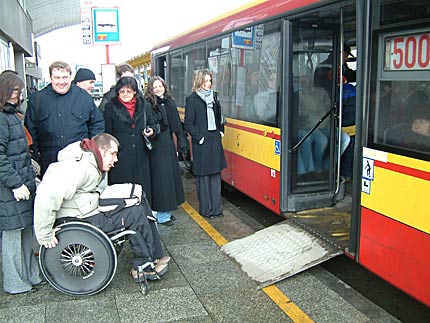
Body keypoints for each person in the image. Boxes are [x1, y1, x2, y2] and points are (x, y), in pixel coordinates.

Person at [33, 133, 170, 281]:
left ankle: (155, 255)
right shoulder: (80, 168)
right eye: (113, 154)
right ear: (101, 151)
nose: (116, 159)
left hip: (86, 207)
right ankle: (143, 267)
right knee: (134, 213)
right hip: (77, 217)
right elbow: (46, 194)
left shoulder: (90, 159)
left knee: (137, 196)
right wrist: (44, 234)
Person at [0, 72, 44, 294]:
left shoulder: (11, 115)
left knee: (26, 232)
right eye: (15, 91)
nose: (18, 95)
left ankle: (30, 275)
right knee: (12, 236)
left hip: (22, 183)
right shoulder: (2, 118)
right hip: (11, 188)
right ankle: (15, 283)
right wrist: (16, 183)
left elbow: (18, 153)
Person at [24, 61, 104, 176]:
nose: (61, 82)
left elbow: (97, 123)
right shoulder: (37, 100)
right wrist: (37, 157)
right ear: (51, 78)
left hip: (80, 161)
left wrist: (91, 150)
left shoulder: (83, 97)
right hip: (50, 163)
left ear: (70, 77)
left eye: (65, 77)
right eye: (57, 77)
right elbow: (31, 130)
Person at [104, 76, 157, 205]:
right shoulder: (110, 107)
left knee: (142, 189)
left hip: (141, 154)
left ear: (134, 91)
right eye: (122, 91)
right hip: (120, 155)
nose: (125, 94)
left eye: (129, 91)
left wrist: (152, 131)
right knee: (121, 190)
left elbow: (153, 123)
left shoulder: (144, 106)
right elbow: (107, 132)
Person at [144, 76, 188, 226]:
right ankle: (162, 215)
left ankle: (167, 212)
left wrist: (182, 142)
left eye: (160, 86)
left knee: (170, 178)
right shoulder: (149, 104)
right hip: (157, 147)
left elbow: (176, 124)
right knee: (162, 180)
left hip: (168, 144)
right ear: (150, 89)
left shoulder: (169, 102)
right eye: (154, 87)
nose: (158, 89)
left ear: (164, 87)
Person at [184, 69, 227, 218]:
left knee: (215, 175)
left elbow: (220, 117)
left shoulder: (215, 97)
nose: (208, 84)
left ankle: (216, 209)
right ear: (199, 82)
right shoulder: (192, 99)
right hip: (202, 141)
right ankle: (206, 210)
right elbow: (188, 124)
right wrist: (200, 138)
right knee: (203, 177)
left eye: (209, 81)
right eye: (205, 81)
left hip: (214, 139)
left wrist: (221, 131)